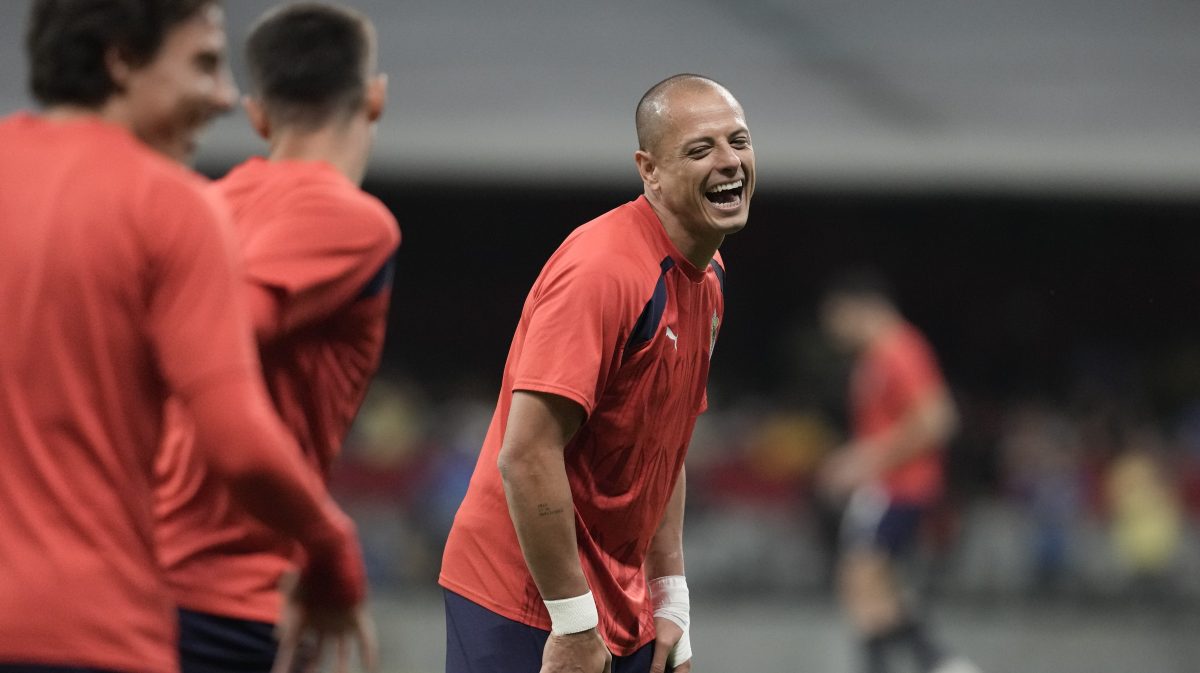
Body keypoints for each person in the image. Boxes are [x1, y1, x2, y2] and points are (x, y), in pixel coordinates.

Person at [0, 2, 369, 672]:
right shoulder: (174, 206)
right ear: (121, 59)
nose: (227, 95)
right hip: (92, 629)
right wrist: (331, 545)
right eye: (202, 63)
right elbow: (238, 440)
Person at [439, 74, 754, 673]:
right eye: (700, 149)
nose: (729, 162)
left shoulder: (708, 275)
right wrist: (574, 622)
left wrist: (672, 600)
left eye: (738, 141)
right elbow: (526, 454)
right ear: (649, 169)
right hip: (526, 595)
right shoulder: (602, 271)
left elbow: (662, 446)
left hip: (615, 592)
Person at [152, 3, 398, 672]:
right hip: (219, 591)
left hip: (143, 570)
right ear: (373, 96)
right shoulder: (353, 220)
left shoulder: (206, 204)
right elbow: (214, 336)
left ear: (257, 114)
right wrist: (328, 545)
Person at [818, 271, 978, 673]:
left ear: (859, 308)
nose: (833, 331)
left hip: (897, 487)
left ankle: (928, 661)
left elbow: (939, 419)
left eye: (836, 318)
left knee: (859, 580)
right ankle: (938, 660)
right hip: (892, 486)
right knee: (876, 586)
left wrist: (865, 461)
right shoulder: (878, 356)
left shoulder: (899, 351)